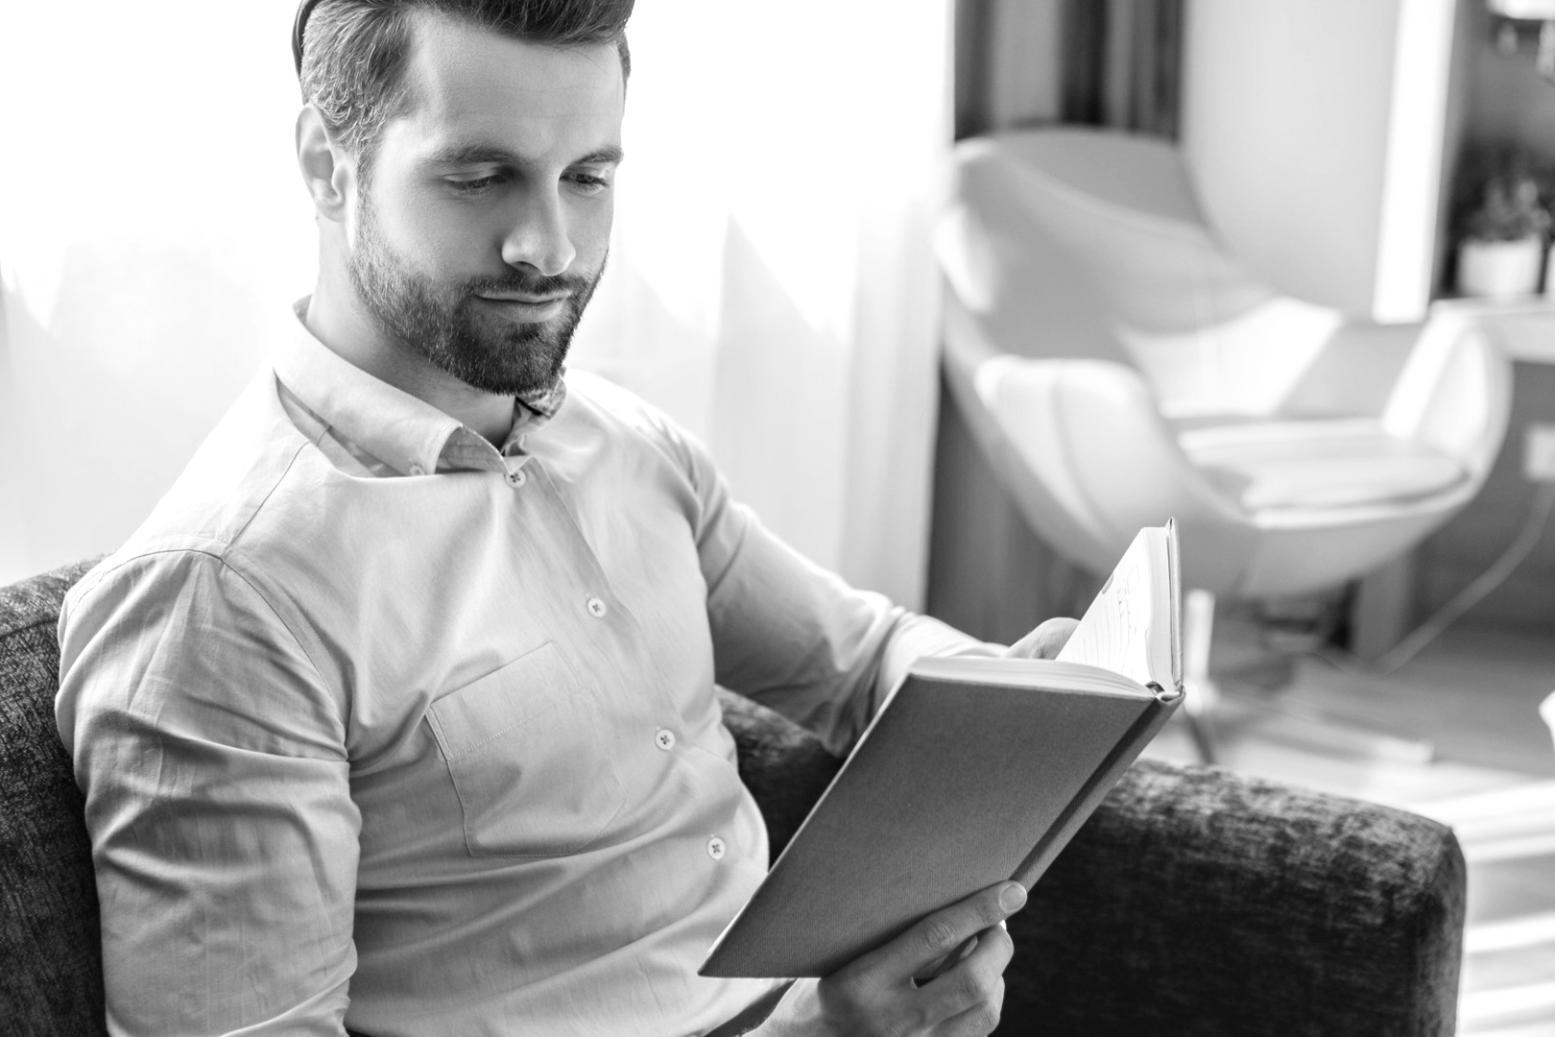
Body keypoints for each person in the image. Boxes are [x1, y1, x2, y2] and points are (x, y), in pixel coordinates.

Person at [55, 2, 1073, 1034]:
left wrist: (1023, 698)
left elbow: (861, 660)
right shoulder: (224, 602)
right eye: (479, 176)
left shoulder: (624, 442)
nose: (547, 246)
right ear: (328, 164)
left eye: (587, 177)